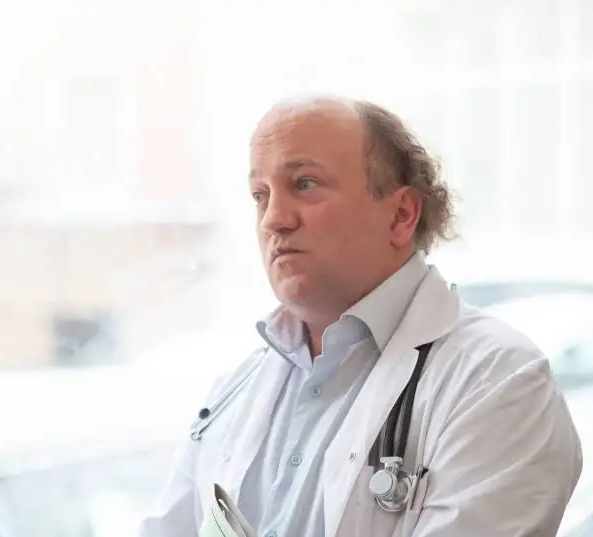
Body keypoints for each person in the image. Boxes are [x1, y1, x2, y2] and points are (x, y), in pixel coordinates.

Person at [136, 96, 583, 537]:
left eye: (305, 184)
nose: (274, 219)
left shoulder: (498, 382)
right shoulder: (236, 389)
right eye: (260, 195)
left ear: (401, 215)